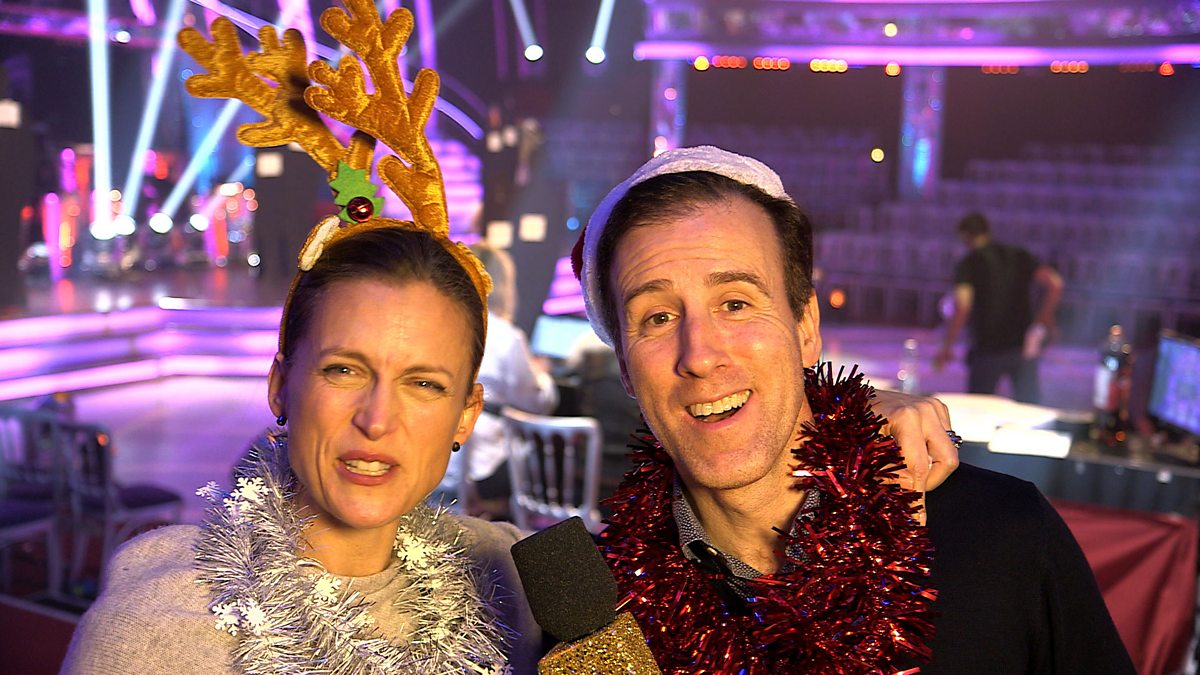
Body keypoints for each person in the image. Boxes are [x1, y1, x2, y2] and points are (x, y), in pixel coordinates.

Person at [61, 5, 539, 672]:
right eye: (344, 369)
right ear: (281, 384)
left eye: (425, 383)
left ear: (466, 413)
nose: (377, 419)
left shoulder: (518, 583)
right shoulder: (157, 634)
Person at [571, 146, 1132, 673]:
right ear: (625, 367)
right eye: (658, 318)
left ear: (806, 328)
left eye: (736, 303)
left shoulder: (1005, 537)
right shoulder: (597, 617)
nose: (699, 355)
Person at [440, 242, 558, 514]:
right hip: (482, 466)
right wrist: (543, 376)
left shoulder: (438, 325)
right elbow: (537, 403)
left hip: (440, 459)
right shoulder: (506, 336)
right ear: (502, 284)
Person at [933, 211, 1064, 403]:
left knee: (977, 407)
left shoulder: (969, 263)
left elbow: (962, 307)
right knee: (1029, 407)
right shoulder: (1018, 254)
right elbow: (1055, 284)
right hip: (1022, 345)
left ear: (965, 236)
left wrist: (947, 346)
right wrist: (1046, 316)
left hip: (988, 348)